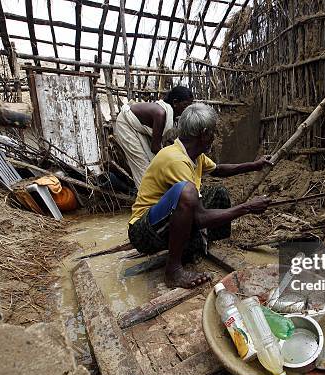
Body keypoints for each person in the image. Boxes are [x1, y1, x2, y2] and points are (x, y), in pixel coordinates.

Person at [127, 103, 271, 289]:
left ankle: (196, 245)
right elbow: (200, 217)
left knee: (218, 193)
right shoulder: (175, 159)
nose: (214, 137)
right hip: (144, 231)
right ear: (203, 133)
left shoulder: (194, 155)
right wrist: (248, 207)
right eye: (212, 132)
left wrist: (254, 165)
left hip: (163, 222)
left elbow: (218, 170)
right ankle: (173, 270)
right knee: (188, 192)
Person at [114, 86, 194, 188]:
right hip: (126, 125)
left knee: (153, 165)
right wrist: (174, 160)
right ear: (175, 102)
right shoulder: (160, 114)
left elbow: (162, 138)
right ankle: (145, 199)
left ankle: (154, 195)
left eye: (190, 106)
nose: (187, 110)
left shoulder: (170, 114)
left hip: (138, 127)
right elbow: (155, 147)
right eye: (185, 105)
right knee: (142, 166)